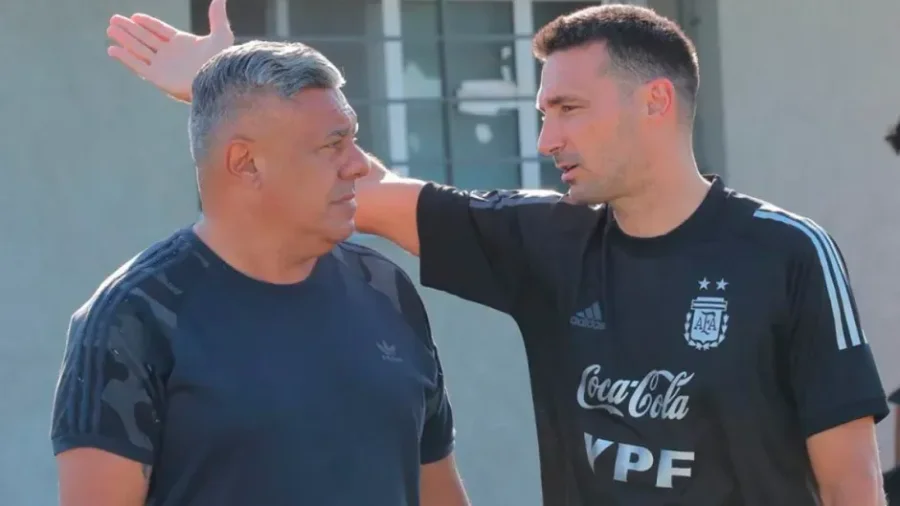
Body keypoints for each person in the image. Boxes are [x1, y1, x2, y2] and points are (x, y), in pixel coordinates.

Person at [105, 2, 889, 505]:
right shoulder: (545, 241)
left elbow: (851, 484)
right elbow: (356, 188)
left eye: (569, 109)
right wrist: (224, 86)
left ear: (655, 102)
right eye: (542, 112)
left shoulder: (788, 253)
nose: (547, 139)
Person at [51, 38, 469, 506]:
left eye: (353, 139)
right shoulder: (133, 316)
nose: (357, 166)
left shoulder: (387, 291)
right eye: (333, 145)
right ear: (245, 163)